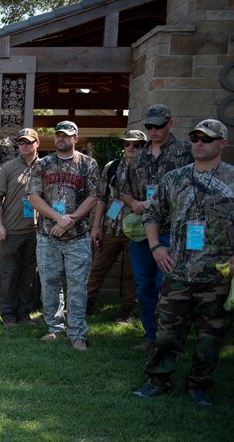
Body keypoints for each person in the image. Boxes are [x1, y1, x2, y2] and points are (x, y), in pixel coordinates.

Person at [133, 119, 233, 407]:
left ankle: (199, 385)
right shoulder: (174, 179)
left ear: (222, 143)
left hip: (217, 274)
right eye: (195, 138)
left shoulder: (231, 178)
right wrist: (155, 247)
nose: (199, 143)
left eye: (207, 139)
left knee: (211, 336)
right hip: (177, 270)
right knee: (166, 332)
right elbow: (152, 215)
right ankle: (157, 381)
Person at [121, 104, 193, 351]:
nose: (153, 131)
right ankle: (150, 336)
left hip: (172, 230)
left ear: (170, 124)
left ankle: (169, 337)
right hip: (142, 230)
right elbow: (125, 192)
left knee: (168, 283)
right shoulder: (138, 156)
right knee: (144, 283)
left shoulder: (185, 152)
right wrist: (135, 203)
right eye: (149, 126)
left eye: (158, 126)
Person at [28, 121, 99, 351]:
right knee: (49, 284)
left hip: (77, 237)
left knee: (77, 286)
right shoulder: (43, 164)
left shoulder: (87, 164)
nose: (61, 139)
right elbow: (34, 197)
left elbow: (93, 197)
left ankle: (77, 333)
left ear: (75, 139)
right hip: (48, 236)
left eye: (66, 136)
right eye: (58, 135)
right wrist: (59, 219)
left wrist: (71, 220)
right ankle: (54, 328)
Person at [86, 130, 144, 323]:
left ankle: (126, 312)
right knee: (97, 269)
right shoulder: (112, 167)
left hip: (138, 230)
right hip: (111, 228)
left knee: (133, 273)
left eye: (137, 145)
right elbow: (102, 198)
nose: (131, 148)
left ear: (144, 147)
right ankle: (86, 306)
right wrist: (96, 226)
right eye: (127, 144)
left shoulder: (149, 169)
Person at [0, 128, 40, 326]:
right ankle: (8, 314)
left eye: (29, 142)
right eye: (21, 142)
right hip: (11, 230)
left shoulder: (45, 166)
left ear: (37, 143)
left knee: (29, 274)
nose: (24, 145)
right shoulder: (9, 167)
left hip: (36, 231)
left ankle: (24, 313)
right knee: (9, 274)